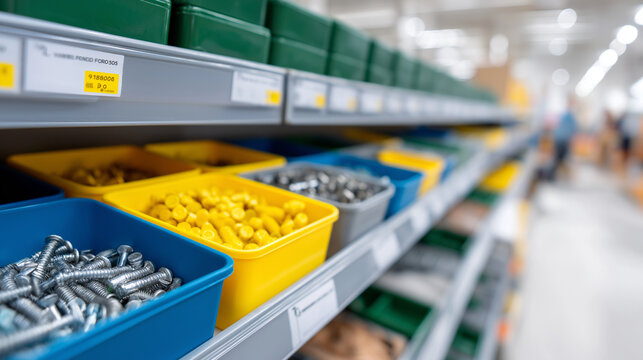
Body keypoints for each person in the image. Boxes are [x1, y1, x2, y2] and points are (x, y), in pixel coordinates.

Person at [551, 96, 578, 179]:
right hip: (560, 139)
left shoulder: (569, 115)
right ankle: (554, 175)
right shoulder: (565, 114)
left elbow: (573, 129)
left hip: (563, 139)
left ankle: (557, 174)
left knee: (561, 158)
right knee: (558, 158)